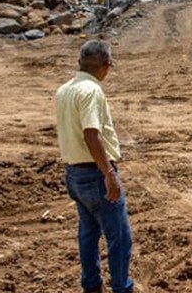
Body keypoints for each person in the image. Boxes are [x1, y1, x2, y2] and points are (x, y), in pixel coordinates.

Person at [55, 40, 134, 293]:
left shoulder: (64, 90)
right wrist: (109, 174)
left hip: (74, 173)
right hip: (95, 173)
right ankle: (122, 288)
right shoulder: (91, 90)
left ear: (79, 63)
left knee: (88, 233)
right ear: (106, 66)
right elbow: (91, 134)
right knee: (119, 237)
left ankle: (91, 285)